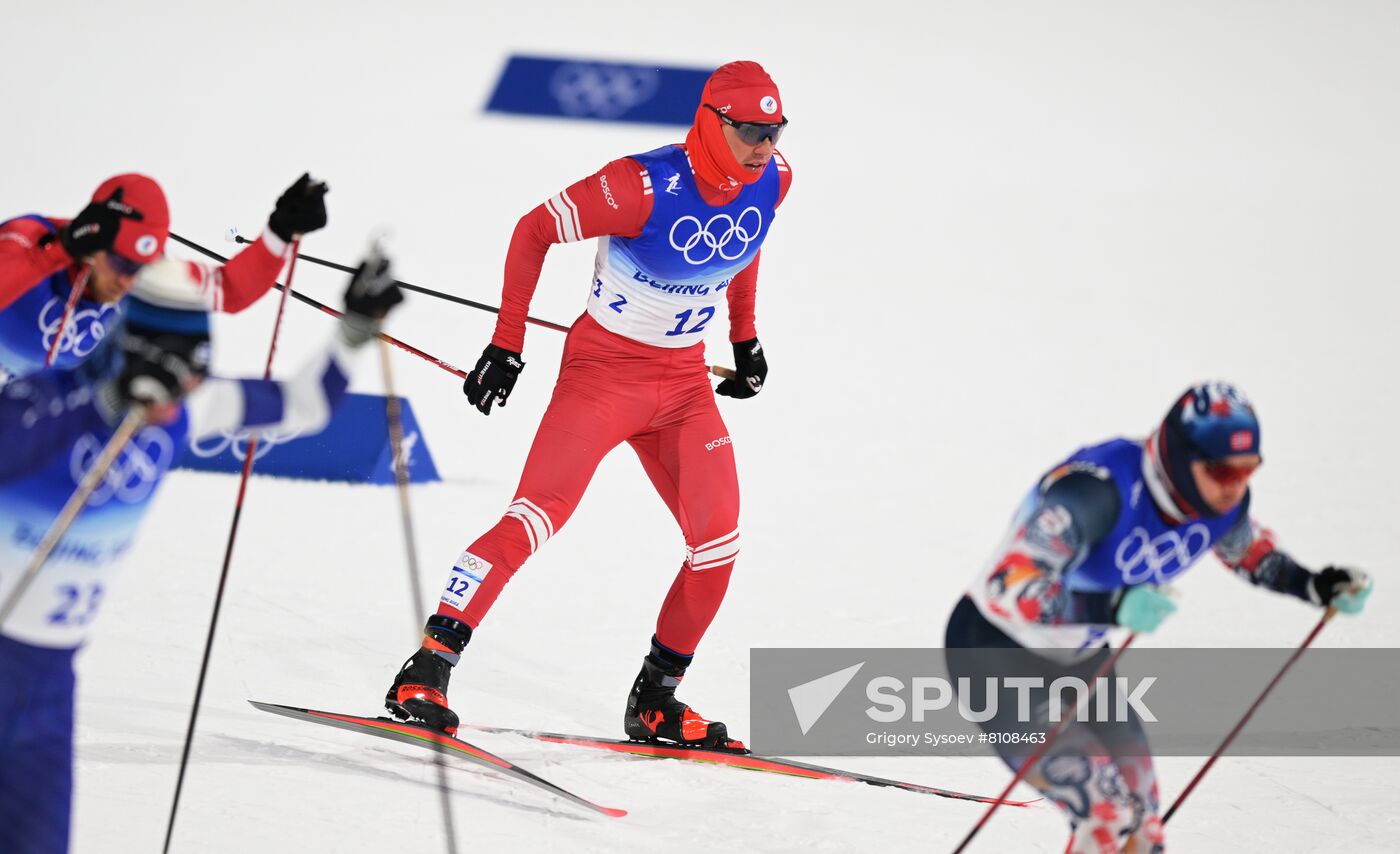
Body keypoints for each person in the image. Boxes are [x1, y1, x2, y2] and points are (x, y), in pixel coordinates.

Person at [385, 60, 793, 748]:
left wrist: (745, 339)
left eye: (776, 131)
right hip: (602, 379)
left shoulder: (774, 178)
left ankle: (656, 700)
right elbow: (533, 229)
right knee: (535, 517)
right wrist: (506, 344)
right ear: (713, 121)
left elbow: (744, 240)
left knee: (717, 542)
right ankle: (425, 668)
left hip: (685, 387)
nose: (766, 145)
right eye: (752, 130)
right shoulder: (640, 185)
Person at [0, 247, 403, 854]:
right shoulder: (33, 403)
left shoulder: (189, 405)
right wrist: (106, 407)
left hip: (50, 685)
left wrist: (353, 330)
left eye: (198, 370)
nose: (186, 390)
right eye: (180, 370)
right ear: (133, 358)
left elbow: (302, 403)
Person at [944, 381, 1373, 853]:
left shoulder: (1217, 504)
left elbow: (1249, 552)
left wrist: (1313, 584)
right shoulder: (1096, 491)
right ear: (1179, 457)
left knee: (1143, 825)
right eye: (1221, 471)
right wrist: (1109, 607)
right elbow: (1009, 585)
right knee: (1106, 815)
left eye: (1248, 471)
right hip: (993, 652)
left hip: (1079, 658)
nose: (1235, 487)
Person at [0, 172, 328, 380]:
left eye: (141, 268)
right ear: (93, 239)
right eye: (123, 264)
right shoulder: (30, 239)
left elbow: (228, 289)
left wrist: (279, 233)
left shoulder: (149, 277)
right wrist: (58, 252)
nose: (128, 281)